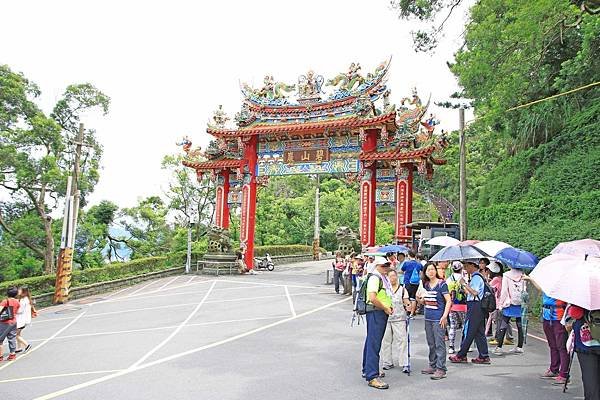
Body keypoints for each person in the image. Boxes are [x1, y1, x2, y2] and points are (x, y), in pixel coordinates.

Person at [449, 258, 491, 364]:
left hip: (475, 306)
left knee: (469, 331)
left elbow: (475, 292)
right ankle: (484, 355)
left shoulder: (476, 277)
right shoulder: (477, 277)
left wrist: (464, 284)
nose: (465, 268)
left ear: (472, 265)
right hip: (478, 306)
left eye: (467, 266)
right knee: (479, 332)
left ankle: (461, 355)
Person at [362, 257, 394, 390]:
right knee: (374, 343)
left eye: (387, 264)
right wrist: (385, 308)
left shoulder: (381, 277)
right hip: (377, 312)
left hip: (379, 312)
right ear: (377, 266)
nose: (386, 267)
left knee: (371, 342)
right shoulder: (375, 278)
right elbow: (373, 297)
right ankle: (372, 376)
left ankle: (368, 369)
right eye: (383, 265)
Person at [418, 263, 451, 380]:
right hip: (428, 318)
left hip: (438, 318)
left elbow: (448, 301)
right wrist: (419, 299)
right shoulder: (425, 285)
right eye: (428, 270)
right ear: (425, 272)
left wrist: (445, 316)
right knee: (431, 343)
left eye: (432, 269)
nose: (430, 272)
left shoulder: (442, 284)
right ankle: (433, 365)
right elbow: (424, 302)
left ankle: (441, 368)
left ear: (435, 271)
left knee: (439, 344)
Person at [565, 305, 600, 400]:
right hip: (586, 346)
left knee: (590, 384)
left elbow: (574, 314)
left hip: (586, 345)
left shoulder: (582, 294)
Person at [381, 269, 410, 373]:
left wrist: (409, 306)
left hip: (399, 319)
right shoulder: (384, 289)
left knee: (402, 340)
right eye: (390, 276)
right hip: (386, 319)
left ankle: (404, 363)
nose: (392, 278)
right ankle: (387, 362)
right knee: (386, 341)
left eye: (394, 276)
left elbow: (406, 301)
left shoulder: (402, 289)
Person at [492, 266, 526, 355]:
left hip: (509, 302)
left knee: (504, 323)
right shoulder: (523, 275)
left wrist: (501, 303)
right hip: (520, 303)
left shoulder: (506, 275)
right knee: (520, 325)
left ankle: (499, 347)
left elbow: (504, 291)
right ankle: (519, 347)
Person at [447, 261, 467, 354]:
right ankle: (464, 345)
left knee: (453, 326)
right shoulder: (464, 279)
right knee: (464, 325)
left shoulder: (448, 279)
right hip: (463, 306)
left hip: (451, 305)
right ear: (461, 268)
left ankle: (451, 346)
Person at [0, 287, 21, 361]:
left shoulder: (5, 301)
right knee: (12, 338)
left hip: (4, 322)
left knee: (0, 339)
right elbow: (16, 311)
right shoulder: (17, 301)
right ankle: (12, 355)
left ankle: (0, 356)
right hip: (13, 321)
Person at [401, 251, 422, 316]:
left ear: (409, 255)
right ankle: (412, 313)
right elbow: (422, 270)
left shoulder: (406, 263)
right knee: (413, 298)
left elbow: (402, 271)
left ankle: (408, 311)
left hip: (407, 282)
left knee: (406, 297)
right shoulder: (418, 264)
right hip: (416, 283)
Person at [16, 286, 33, 353]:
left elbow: (20, 311)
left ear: (24, 292)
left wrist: (13, 311)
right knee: (18, 334)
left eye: (19, 290)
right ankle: (19, 348)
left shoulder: (24, 300)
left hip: (21, 320)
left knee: (15, 335)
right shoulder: (26, 299)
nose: (18, 291)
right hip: (23, 320)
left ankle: (27, 345)